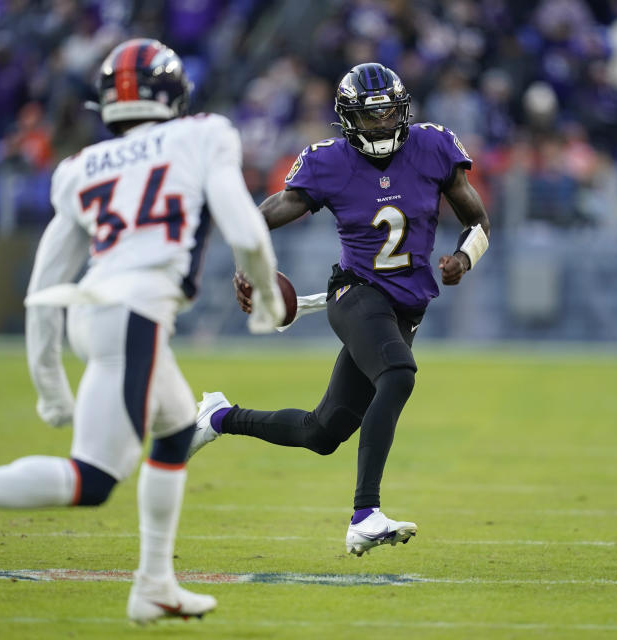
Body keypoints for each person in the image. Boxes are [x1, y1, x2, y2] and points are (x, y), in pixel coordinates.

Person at [0, 38, 286, 623]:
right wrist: (263, 304)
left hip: (99, 310)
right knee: (93, 479)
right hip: (135, 313)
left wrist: (49, 381)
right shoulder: (204, 133)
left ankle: (154, 583)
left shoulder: (80, 168)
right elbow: (248, 232)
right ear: (174, 93)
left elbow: (44, 286)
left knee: (178, 428)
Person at [188, 62, 491, 556]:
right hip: (355, 292)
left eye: (390, 113)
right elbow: (269, 213)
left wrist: (462, 257)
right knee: (398, 374)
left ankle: (219, 417)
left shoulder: (433, 146)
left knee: (322, 431)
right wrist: (248, 263)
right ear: (349, 119)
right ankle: (365, 514)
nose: (383, 124)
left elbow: (478, 220)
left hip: (405, 307)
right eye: (371, 117)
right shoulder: (329, 162)